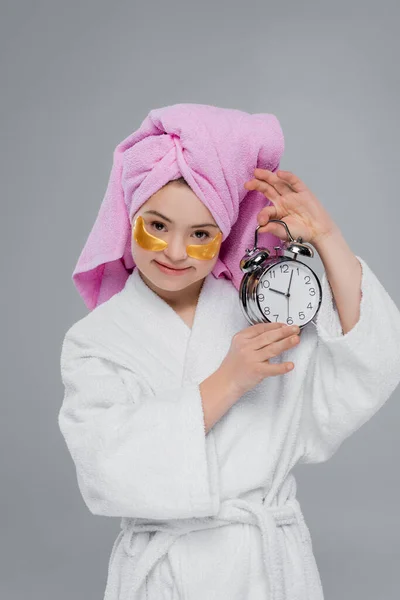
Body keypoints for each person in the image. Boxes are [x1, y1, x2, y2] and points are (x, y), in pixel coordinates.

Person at [58, 104, 400, 600]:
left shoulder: (262, 312)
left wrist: (328, 239)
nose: (175, 252)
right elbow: (104, 468)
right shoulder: (97, 341)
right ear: (129, 218)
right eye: (156, 225)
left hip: (268, 571)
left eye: (200, 235)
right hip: (166, 577)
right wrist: (227, 381)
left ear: (222, 237)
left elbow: (370, 366)